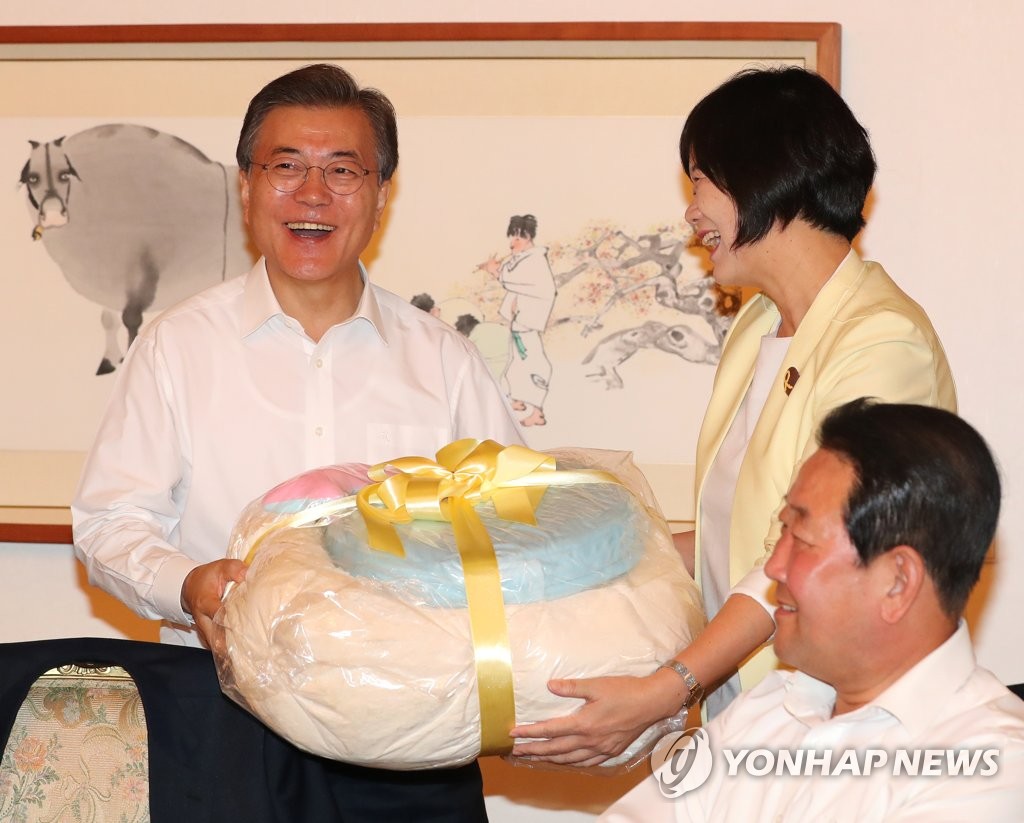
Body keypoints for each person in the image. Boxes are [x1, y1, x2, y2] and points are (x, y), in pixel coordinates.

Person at [72, 63, 522, 822]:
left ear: (381, 193)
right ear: (247, 186)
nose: (313, 194)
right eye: (286, 167)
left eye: (343, 170)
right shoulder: (178, 347)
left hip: (409, 732)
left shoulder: (443, 361)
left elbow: (511, 529)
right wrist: (188, 584)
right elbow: (108, 522)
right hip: (222, 726)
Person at [511, 66, 956, 762]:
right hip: (748, 718)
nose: (691, 214)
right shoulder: (757, 327)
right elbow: (733, 537)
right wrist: (579, 553)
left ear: (766, 174)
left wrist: (669, 687)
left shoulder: (881, 342)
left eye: (699, 183)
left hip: (837, 728)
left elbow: (814, 554)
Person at [601, 400, 1024, 821]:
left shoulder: (994, 767)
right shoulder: (771, 708)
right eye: (782, 530)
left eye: (801, 539)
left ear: (898, 582)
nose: (773, 567)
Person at [479, 214, 556, 427]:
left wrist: (494, 270)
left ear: (528, 238)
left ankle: (537, 411)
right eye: (512, 238)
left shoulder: (534, 260)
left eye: (518, 239)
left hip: (528, 323)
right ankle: (518, 401)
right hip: (520, 323)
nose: (512, 244)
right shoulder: (523, 258)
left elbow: (513, 280)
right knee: (516, 365)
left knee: (534, 364)